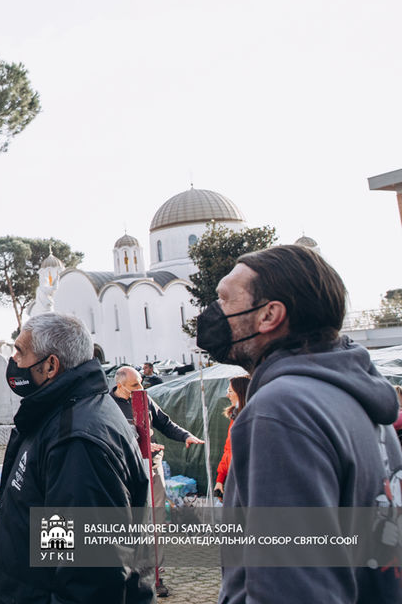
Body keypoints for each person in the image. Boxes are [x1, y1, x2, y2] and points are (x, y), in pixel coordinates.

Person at [198, 245, 402, 603]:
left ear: (269, 315)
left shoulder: (282, 409)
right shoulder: (359, 396)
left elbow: (293, 590)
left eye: (225, 299)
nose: (213, 313)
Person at [0, 313, 152, 603]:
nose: (13, 361)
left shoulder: (74, 441)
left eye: (20, 352)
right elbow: (59, 544)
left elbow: (87, 578)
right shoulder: (58, 419)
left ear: (50, 365)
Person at [111, 366, 204, 597]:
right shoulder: (108, 407)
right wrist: (138, 446)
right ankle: (129, 574)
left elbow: (164, 423)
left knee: (156, 520)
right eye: (135, 385)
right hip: (126, 472)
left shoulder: (145, 399)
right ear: (119, 385)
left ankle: (156, 574)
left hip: (152, 466)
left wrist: (186, 436)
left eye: (141, 383)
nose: (140, 388)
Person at [212, 375, 250, 501]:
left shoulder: (250, 420)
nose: (227, 395)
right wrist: (220, 480)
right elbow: (228, 450)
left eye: (230, 391)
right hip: (233, 479)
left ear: (240, 393)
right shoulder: (234, 418)